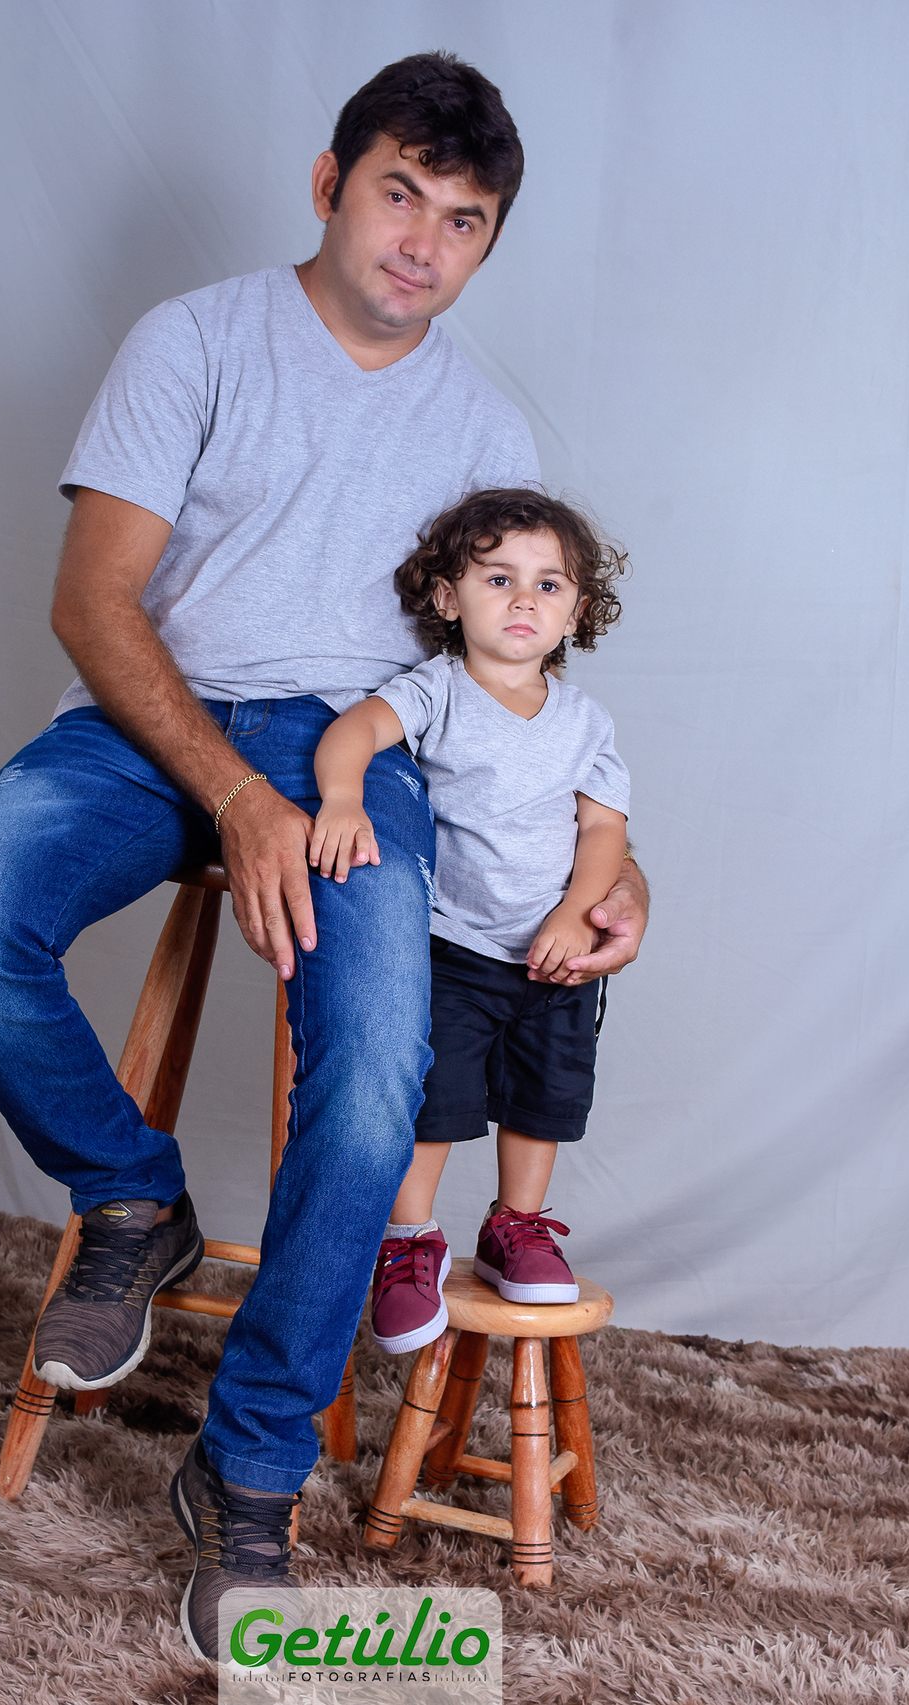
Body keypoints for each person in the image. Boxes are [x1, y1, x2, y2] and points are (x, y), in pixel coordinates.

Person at [0, 52, 648, 1661]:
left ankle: (246, 1470)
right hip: (153, 716)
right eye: (399, 194)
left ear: (489, 243)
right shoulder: (194, 339)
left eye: (464, 220)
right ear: (328, 185)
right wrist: (237, 796)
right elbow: (92, 600)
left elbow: (511, 686)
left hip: (360, 761)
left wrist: (612, 849)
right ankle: (131, 1193)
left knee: (376, 1070)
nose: (423, 242)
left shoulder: (484, 423)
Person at [310, 487, 630, 1357]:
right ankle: (409, 1240)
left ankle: (515, 1226)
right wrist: (342, 797)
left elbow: (603, 830)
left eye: (549, 584)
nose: (525, 599)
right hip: (452, 945)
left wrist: (577, 914)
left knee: (544, 1098)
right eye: (498, 578)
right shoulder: (438, 690)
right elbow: (353, 731)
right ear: (449, 598)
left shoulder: (584, 721)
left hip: (552, 956)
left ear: (577, 611)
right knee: (434, 1101)